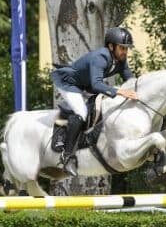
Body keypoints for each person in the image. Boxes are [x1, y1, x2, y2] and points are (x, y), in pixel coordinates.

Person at [50, 27, 139, 176]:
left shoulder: (120, 60)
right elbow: (97, 84)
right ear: (111, 46)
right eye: (122, 48)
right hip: (69, 83)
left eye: (126, 48)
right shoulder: (101, 57)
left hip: (86, 85)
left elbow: (131, 82)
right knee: (81, 112)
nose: (125, 52)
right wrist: (120, 92)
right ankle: (67, 157)